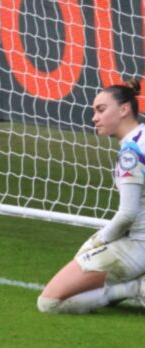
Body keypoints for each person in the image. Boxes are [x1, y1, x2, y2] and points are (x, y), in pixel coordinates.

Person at [38, 81, 145, 314]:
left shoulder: (131, 153)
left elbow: (127, 215)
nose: (94, 118)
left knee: (49, 302)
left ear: (124, 109)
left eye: (101, 109)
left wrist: (96, 241)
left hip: (138, 246)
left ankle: (134, 288)